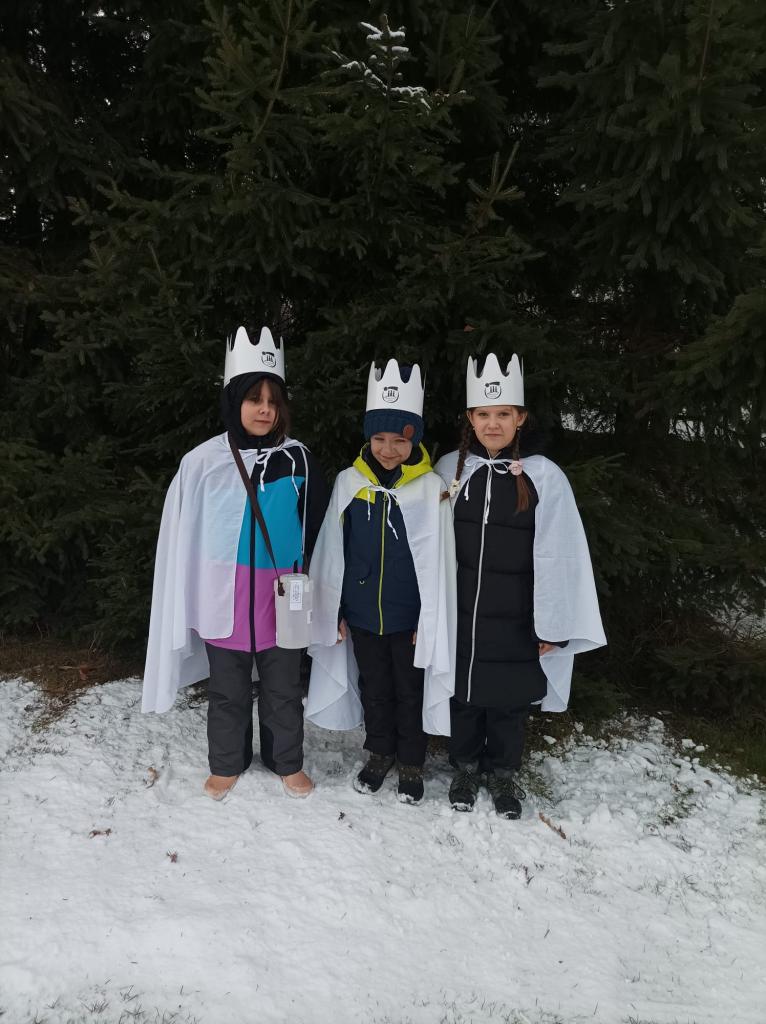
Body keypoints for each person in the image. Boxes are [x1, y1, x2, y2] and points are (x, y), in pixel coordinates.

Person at [142, 325, 329, 800]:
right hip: (223, 595)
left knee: (283, 687)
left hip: (281, 598)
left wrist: (315, 586)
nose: (264, 409)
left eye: (272, 401)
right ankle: (227, 762)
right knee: (227, 689)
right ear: (233, 401)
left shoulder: (299, 460)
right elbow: (183, 534)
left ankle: (286, 761)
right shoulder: (203, 462)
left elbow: (316, 531)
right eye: (253, 399)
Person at [434, 352, 606, 819]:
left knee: (509, 702)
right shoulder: (450, 469)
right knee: (464, 696)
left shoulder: (545, 475)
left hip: (517, 615)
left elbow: (561, 553)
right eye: (483, 415)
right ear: (470, 418)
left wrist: (553, 623)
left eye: (503, 414)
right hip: (463, 610)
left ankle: (503, 773)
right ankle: (465, 767)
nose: (493, 424)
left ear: (520, 418)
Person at [305, 360, 456, 804]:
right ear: (368, 439)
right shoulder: (350, 483)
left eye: (399, 440)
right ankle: (379, 753)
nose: (388, 450)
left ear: (415, 440)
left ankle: (411, 761)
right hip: (363, 615)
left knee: (409, 691)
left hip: (409, 619)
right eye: (379, 439)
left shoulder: (430, 488)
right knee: (375, 689)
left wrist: (429, 618)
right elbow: (332, 550)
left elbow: (438, 561)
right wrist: (334, 610)